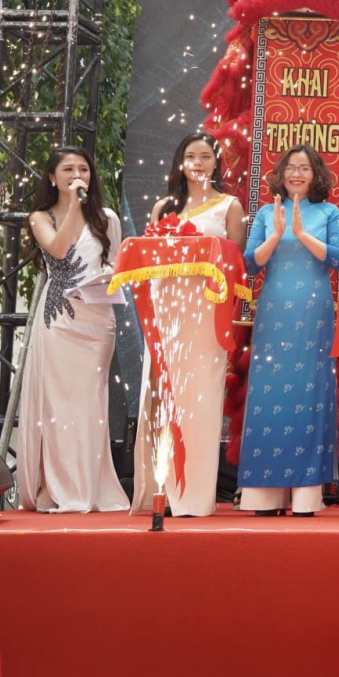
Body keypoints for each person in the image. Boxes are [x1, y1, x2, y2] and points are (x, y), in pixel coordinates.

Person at [130, 132, 245, 517]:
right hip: (166, 310)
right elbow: (148, 258)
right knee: (163, 397)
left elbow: (236, 263)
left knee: (200, 399)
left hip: (206, 313)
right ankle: (160, 490)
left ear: (216, 162)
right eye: (191, 156)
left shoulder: (229, 206)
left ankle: (194, 497)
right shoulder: (165, 207)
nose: (198, 163)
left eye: (205, 156)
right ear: (181, 162)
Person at [237, 146, 339, 516]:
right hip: (273, 313)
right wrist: (276, 235)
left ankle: (306, 496)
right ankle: (264, 497)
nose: (296, 174)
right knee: (268, 395)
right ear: (281, 174)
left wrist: (302, 234)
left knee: (309, 393)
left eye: (304, 168)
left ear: (316, 175)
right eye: (290, 167)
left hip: (314, 314)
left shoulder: (329, 212)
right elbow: (249, 265)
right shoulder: (266, 213)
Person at [17, 146, 130, 513]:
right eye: (68, 169)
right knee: (58, 405)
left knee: (90, 403)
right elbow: (58, 249)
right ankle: (57, 487)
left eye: (83, 168)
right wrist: (73, 207)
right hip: (60, 319)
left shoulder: (107, 218)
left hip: (97, 319)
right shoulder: (41, 217)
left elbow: (115, 264)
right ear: (53, 177)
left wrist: (107, 278)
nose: (77, 174)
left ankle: (90, 487)